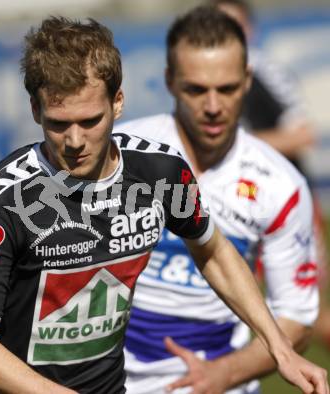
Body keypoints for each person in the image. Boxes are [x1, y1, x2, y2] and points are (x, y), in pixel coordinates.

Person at [0, 16, 328, 394]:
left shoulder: (160, 173)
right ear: (35, 110)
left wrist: (279, 348)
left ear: (118, 103)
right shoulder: (0, 200)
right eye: (58, 123)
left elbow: (214, 251)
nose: (74, 141)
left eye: (90, 121)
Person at [114, 6, 326, 394]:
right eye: (196, 89)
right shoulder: (118, 155)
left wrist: (222, 375)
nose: (213, 106)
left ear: (246, 81)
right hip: (107, 381)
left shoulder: (280, 185)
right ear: (169, 81)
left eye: (226, 88)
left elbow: (296, 320)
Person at [211, 0, 330, 354]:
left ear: (251, 30)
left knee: (305, 313)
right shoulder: (210, 76)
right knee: (229, 307)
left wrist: (228, 143)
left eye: (233, 25)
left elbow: (301, 133)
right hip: (234, 204)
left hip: (283, 205)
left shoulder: (264, 71)